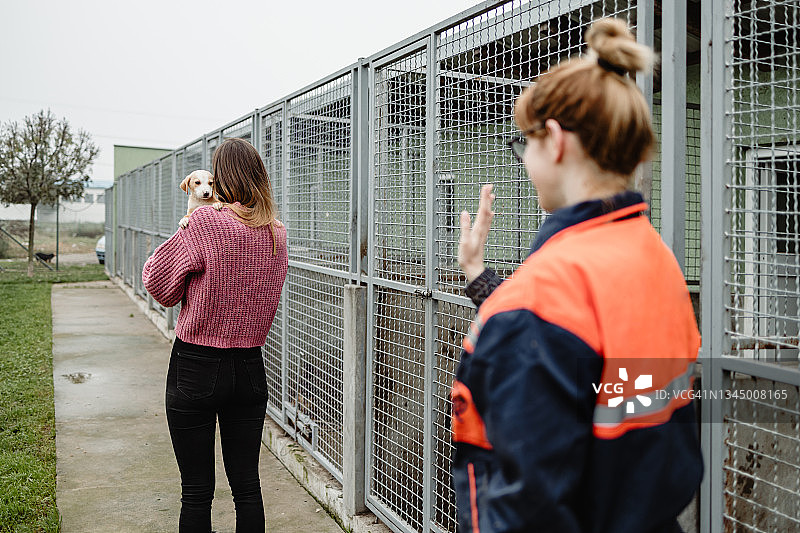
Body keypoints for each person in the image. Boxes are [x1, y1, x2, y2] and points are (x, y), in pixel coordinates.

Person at [451, 18, 703, 533]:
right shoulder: (657, 260)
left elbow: (523, 510)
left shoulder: (538, 298)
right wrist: (479, 275)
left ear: (557, 142)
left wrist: (496, 300)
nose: (525, 163)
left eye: (527, 146)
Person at [142, 138, 288, 532]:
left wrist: (183, 234)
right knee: (247, 486)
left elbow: (158, 284)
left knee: (196, 490)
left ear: (221, 178)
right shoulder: (278, 233)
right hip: (250, 369)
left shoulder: (205, 223)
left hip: (196, 366)